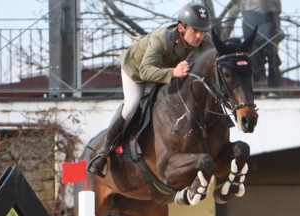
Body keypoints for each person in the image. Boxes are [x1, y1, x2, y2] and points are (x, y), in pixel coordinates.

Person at [88, 2, 214, 177]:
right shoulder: (162, 39)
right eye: (195, 30)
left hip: (167, 71)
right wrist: (174, 72)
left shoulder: (205, 42)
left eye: (203, 31)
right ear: (181, 27)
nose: (200, 36)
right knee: (132, 105)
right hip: (137, 70)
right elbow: (145, 71)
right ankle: (103, 152)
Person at [240, 0, 283, 88]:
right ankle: (257, 80)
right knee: (252, 48)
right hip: (251, 12)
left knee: (272, 50)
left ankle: (273, 84)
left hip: (270, 12)